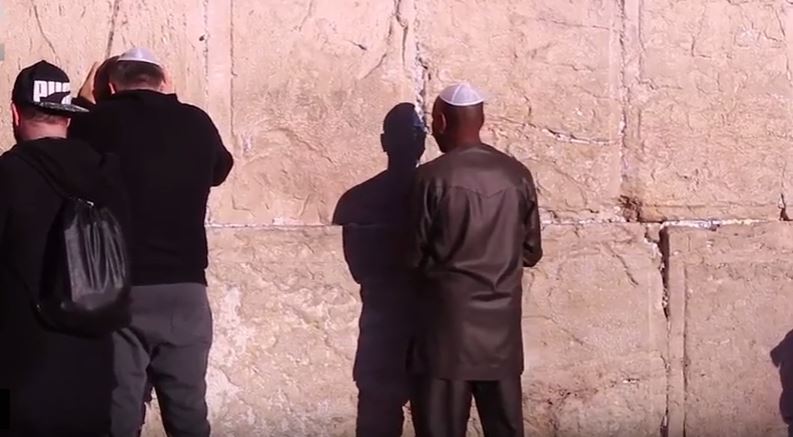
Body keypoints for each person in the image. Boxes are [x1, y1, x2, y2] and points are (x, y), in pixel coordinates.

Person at [69, 47, 234, 437]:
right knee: (189, 410)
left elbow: (70, 157)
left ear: (110, 87)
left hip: (121, 290)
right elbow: (219, 169)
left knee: (119, 410)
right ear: (164, 82)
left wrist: (82, 105)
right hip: (186, 288)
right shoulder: (196, 121)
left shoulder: (98, 121)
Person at [406, 83, 543, 437]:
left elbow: (412, 256)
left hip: (446, 332)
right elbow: (531, 252)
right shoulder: (517, 175)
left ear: (439, 121)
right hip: (502, 334)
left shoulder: (430, 178)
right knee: (505, 426)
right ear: (481, 119)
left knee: (440, 427)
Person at [0, 60, 129, 436]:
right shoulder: (107, 175)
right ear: (68, 118)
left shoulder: (7, 174)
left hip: (20, 373)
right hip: (93, 374)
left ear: (14, 113)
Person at [333, 103, 426, 436]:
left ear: (384, 142)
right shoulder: (437, 191)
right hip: (414, 321)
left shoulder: (357, 199)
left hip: (384, 322)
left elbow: (360, 267)